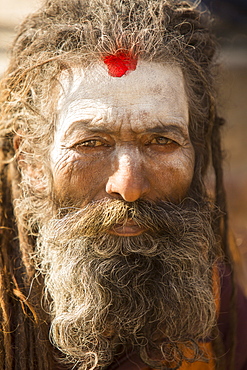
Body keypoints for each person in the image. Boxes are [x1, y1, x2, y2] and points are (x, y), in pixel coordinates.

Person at [0, 0, 246, 369]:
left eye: (161, 142)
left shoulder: (212, 288)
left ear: (197, 156)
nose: (128, 186)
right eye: (91, 144)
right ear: (32, 162)